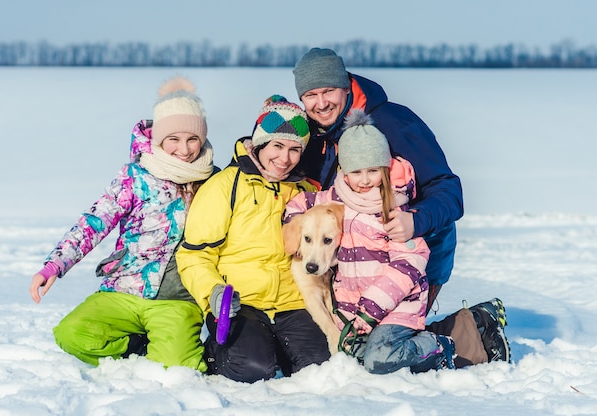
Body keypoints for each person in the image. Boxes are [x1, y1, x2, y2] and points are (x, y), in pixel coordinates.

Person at [292, 47, 510, 364]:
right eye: (311, 94)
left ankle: (472, 329)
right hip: (354, 268)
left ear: (346, 85)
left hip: (412, 259)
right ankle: (459, 333)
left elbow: (449, 191)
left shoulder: (394, 122)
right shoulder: (319, 134)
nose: (321, 102)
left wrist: (415, 221)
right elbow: (305, 190)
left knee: (385, 351)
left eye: (328, 91)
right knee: (357, 349)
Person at [29, 76, 214, 370]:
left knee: (177, 368)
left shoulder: (212, 180)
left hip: (177, 299)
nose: (184, 149)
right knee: (71, 335)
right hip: (124, 290)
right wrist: (55, 265)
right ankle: (135, 346)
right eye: (174, 139)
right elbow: (95, 221)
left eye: (192, 139)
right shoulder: (135, 176)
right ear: (159, 139)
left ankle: (175, 345)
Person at [285, 110, 456, 373]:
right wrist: (296, 229)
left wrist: (369, 311)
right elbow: (301, 204)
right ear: (344, 172)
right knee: (355, 358)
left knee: (378, 359)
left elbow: (408, 267)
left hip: (394, 306)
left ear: (385, 170)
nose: (364, 180)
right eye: (356, 171)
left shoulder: (393, 211)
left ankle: (437, 345)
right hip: (356, 309)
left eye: (373, 170)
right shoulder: (338, 198)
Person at [176, 95, 330, 383]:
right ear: (260, 144)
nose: (285, 158)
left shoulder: (306, 192)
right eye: (278, 146)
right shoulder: (225, 186)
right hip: (239, 301)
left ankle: (275, 346)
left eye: (295, 149)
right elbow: (194, 254)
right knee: (252, 369)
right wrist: (213, 293)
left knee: (317, 368)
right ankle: (216, 351)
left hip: (292, 303)